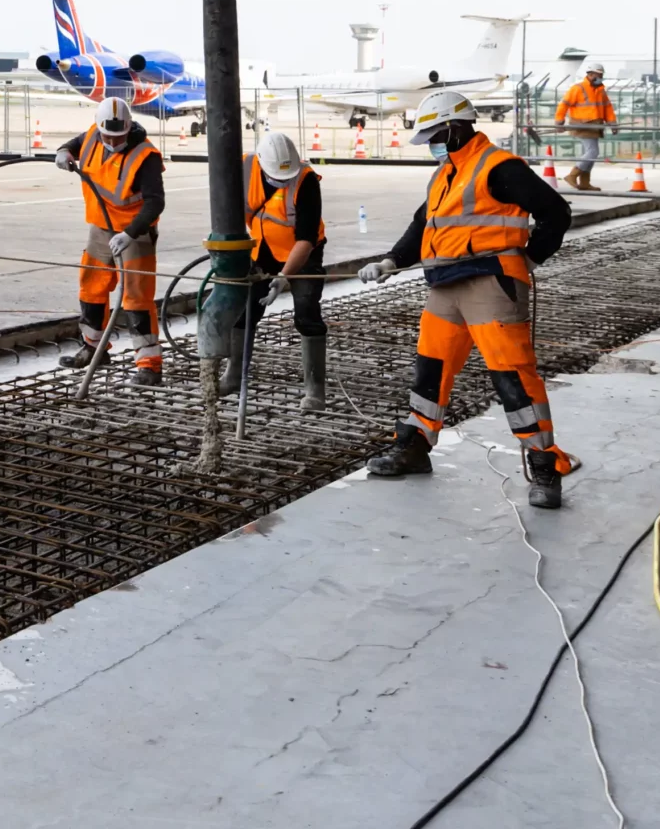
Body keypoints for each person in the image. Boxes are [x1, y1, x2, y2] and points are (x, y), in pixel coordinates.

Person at [359, 88, 576, 507]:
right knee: (431, 368)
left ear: (456, 129)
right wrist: (390, 262)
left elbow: (556, 212)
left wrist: (528, 259)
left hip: (491, 285)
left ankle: (545, 464)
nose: (432, 147)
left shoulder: (499, 167)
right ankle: (416, 446)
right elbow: (424, 224)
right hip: (445, 285)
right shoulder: (445, 174)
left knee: (512, 376)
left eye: (435, 137)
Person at [56, 95, 165, 380]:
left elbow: (155, 203)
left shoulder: (145, 156)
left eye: (120, 138)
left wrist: (130, 233)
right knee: (91, 286)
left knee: (136, 298)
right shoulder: (93, 135)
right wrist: (64, 152)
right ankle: (93, 349)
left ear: (129, 128)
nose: (114, 143)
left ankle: (148, 365)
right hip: (101, 228)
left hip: (134, 233)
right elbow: (76, 144)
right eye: (109, 137)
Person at [241, 130, 329, 408]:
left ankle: (314, 390)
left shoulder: (305, 180)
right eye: (277, 178)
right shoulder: (244, 169)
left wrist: (282, 278)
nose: (282, 182)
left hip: (303, 253)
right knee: (245, 308)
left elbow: (306, 238)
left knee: (306, 308)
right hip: (260, 249)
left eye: (286, 177)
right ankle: (235, 375)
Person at [554, 60, 615, 192]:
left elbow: (607, 108)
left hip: (596, 125)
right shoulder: (578, 88)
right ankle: (572, 175)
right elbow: (564, 104)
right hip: (582, 125)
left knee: (589, 154)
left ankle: (584, 183)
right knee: (593, 152)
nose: (599, 78)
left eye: (601, 75)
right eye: (597, 75)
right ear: (590, 74)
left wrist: (612, 123)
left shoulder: (600, 90)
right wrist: (559, 121)